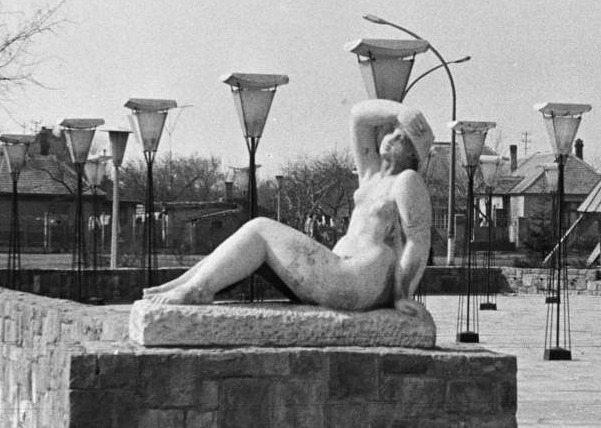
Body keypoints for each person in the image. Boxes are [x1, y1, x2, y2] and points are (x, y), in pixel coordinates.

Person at [143, 99, 434, 315]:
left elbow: (418, 240)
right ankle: (188, 283)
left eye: (402, 139)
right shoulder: (371, 176)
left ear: (413, 154)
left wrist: (402, 295)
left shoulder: (407, 181)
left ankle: (197, 289)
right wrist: (399, 111)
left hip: (357, 283)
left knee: (259, 229)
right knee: (254, 240)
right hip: (342, 272)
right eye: (393, 131)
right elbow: (358, 116)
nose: (391, 137)